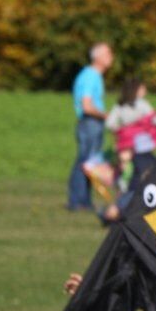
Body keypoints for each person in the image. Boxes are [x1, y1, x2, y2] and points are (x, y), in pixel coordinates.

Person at [67, 42, 113, 211]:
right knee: (85, 162)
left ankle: (84, 200)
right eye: (108, 53)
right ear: (97, 57)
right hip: (90, 122)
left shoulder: (94, 76)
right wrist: (106, 115)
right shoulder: (90, 76)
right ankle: (77, 201)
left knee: (90, 162)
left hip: (92, 123)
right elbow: (87, 106)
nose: (111, 57)